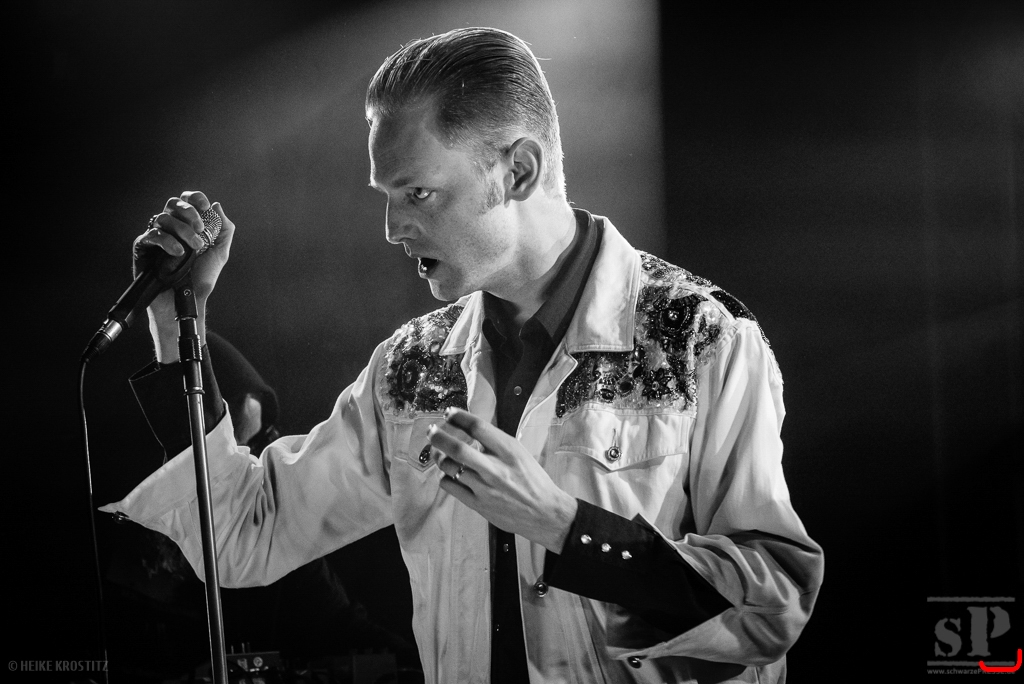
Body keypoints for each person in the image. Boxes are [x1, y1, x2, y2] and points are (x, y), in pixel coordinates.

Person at [103, 27, 824, 684]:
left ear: (518, 171)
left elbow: (774, 603)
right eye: (387, 195)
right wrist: (176, 320)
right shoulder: (411, 368)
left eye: (418, 192)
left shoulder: (697, 337)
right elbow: (244, 538)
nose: (392, 227)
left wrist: (566, 527)